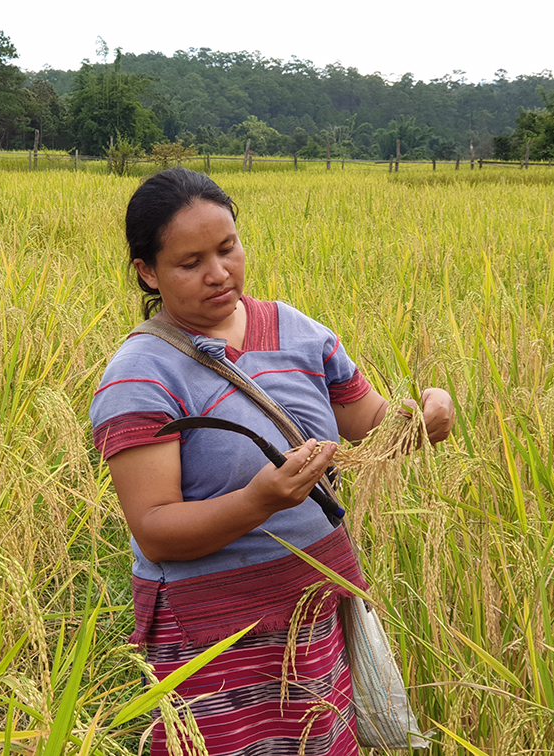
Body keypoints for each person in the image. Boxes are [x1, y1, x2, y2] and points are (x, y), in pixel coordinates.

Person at [90, 168, 454, 756]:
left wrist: (427, 419)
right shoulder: (139, 376)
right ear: (148, 272)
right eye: (190, 262)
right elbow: (155, 530)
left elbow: (374, 427)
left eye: (227, 248)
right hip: (211, 634)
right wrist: (261, 500)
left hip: (312, 609)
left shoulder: (297, 332)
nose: (218, 273)